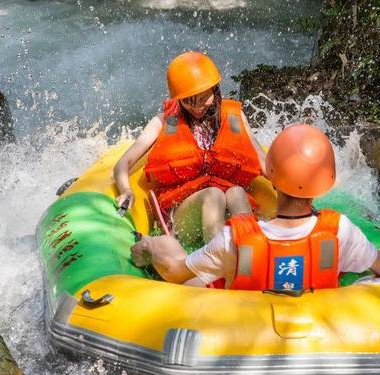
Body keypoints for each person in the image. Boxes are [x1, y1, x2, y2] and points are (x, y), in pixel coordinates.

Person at [131, 124, 380, 289]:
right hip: (315, 331)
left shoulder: (233, 238)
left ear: (271, 175)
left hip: (239, 322)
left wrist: (151, 249)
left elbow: (176, 273)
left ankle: (150, 247)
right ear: (324, 182)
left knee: (169, 252)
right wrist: (367, 250)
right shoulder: (341, 232)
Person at [113, 51, 266, 244]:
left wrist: (294, 193)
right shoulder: (165, 121)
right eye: (188, 101)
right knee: (213, 194)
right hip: (183, 213)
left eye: (203, 99)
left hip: (226, 205)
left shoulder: (234, 117)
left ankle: (249, 258)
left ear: (215, 90)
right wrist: (126, 189)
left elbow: (263, 162)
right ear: (179, 99)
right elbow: (122, 163)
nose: (197, 107)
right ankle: (215, 265)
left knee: (237, 192)